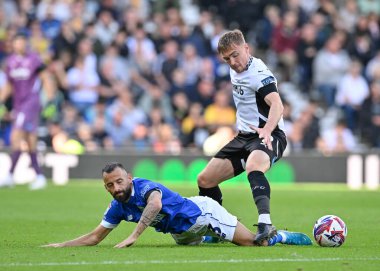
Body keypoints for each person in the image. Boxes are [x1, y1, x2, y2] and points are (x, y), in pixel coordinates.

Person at [43, 162, 312, 248]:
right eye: (110, 186)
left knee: (255, 243)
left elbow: (155, 205)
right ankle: (213, 236)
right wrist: (60, 246)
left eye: (119, 182)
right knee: (188, 243)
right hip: (181, 232)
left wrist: (134, 235)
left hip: (202, 212)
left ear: (129, 178)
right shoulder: (117, 206)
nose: (116, 188)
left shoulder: (144, 186)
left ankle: (283, 236)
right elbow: (94, 236)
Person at [197, 29, 287, 244]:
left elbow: (277, 104)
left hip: (269, 134)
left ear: (246, 48)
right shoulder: (235, 68)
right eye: (227, 58)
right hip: (243, 137)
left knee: (254, 167)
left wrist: (267, 130)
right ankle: (218, 226)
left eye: (236, 55)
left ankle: (265, 223)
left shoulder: (259, 74)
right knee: (205, 180)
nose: (233, 62)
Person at [0, 33, 54, 190]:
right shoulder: (10, 62)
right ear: (13, 44)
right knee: (30, 140)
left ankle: (10, 175)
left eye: (23, 42)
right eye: (17, 42)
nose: (20, 45)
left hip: (31, 102)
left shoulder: (34, 59)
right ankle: (39, 176)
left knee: (16, 135)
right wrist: (2, 100)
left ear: (26, 43)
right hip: (18, 104)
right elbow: (9, 86)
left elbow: (46, 78)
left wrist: (50, 99)